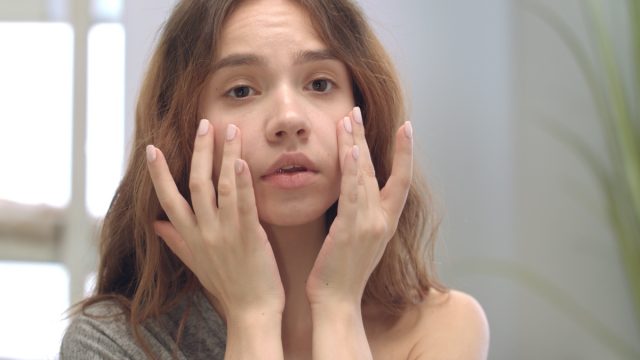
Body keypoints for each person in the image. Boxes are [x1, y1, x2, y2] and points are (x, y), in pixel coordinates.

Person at [60, 0, 489, 358]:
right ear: (182, 131)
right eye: (242, 90)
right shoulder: (110, 342)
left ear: (364, 111)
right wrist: (253, 316)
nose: (288, 119)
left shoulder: (442, 328)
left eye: (320, 83)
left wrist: (338, 308)